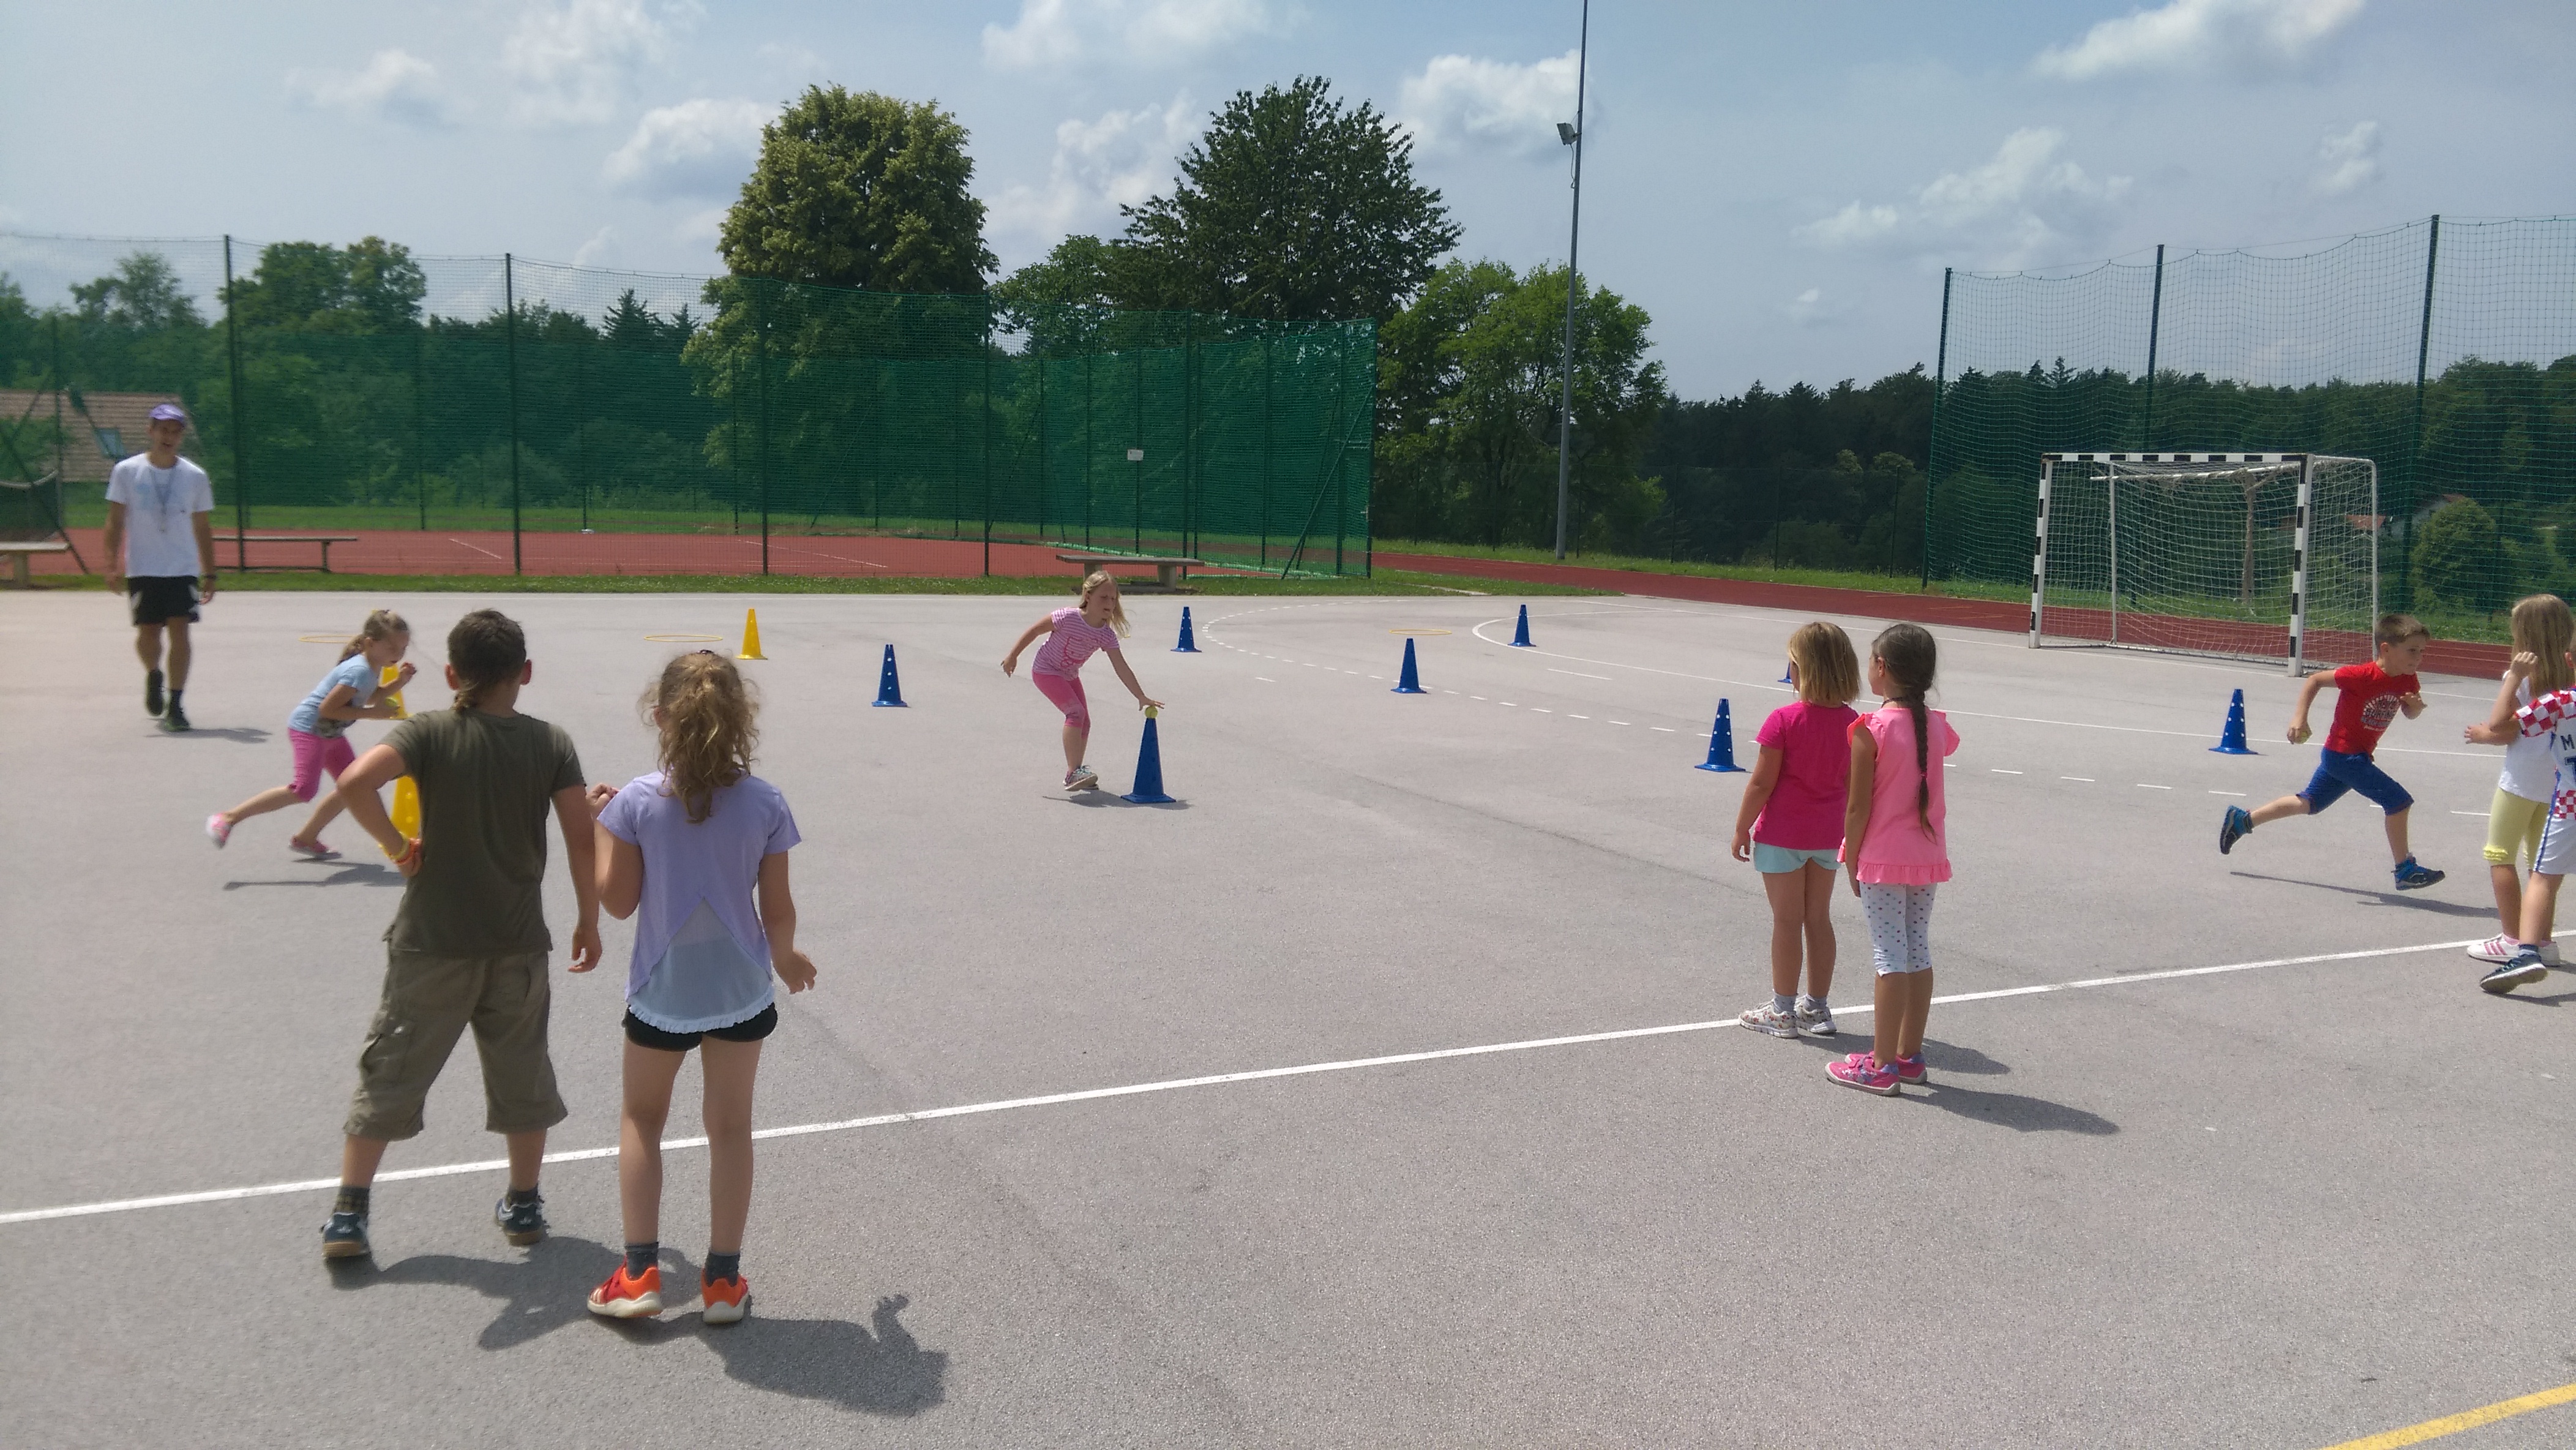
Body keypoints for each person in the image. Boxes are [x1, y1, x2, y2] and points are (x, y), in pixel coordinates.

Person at [315, 609, 601, 1260]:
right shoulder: (550, 743)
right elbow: (579, 836)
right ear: (525, 673)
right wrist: (588, 917)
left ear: (451, 674)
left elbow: (355, 782)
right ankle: (523, 1202)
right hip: (516, 941)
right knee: (522, 1071)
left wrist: (396, 846)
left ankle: (349, 1212)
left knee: (393, 1067)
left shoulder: (428, 732)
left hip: (432, 940)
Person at [583, 652, 816, 1324]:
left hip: (664, 988)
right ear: (741, 717)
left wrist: (601, 828)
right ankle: (722, 1280)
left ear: (660, 717)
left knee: (642, 1117)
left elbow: (617, 902)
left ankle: (638, 1273)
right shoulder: (765, 802)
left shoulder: (635, 802)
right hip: (739, 987)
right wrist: (785, 956)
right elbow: (778, 907)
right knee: (731, 1127)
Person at [2218, 614, 2444, 890]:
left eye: (2422, 651)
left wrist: (2415, 708)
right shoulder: (2361, 675)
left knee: (2308, 803)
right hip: (2344, 755)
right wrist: (2300, 718)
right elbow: (2315, 680)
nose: (2419, 657)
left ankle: (2242, 820)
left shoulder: (2408, 679)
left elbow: (2409, 712)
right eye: (2412, 650)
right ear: (2386, 649)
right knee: (2398, 801)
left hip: (2352, 757)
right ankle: (2405, 870)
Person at [1828, 622, 1958, 1096]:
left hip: (1883, 859)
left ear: (1881, 667)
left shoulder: (1871, 729)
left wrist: (1850, 856)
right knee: (1916, 946)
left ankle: (1881, 1064)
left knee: (1889, 955)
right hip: (1926, 857)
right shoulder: (1938, 726)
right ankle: (1908, 1055)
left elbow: (1857, 807)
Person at [1731, 622, 1862, 1040]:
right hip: (1829, 836)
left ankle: (1782, 1009)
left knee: (1786, 921)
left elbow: (1761, 783)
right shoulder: (1854, 723)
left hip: (1783, 836)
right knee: (1818, 918)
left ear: (1800, 669)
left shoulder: (1784, 720)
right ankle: (1817, 1007)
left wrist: (1741, 827)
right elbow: (1854, 785)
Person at [206, 610, 414, 857]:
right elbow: (328, 709)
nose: (398, 654)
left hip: (330, 734)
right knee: (303, 790)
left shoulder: (372, 666)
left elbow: (369, 696)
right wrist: (372, 714)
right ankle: (228, 818)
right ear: (370, 643)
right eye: (392, 648)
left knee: (353, 786)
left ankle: (306, 838)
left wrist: (400, 681)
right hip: (309, 729)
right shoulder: (358, 670)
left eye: (403, 649)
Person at [2462, 595, 2575, 969]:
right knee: (2541, 866)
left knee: (2500, 855)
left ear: (2525, 635)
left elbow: (2505, 728)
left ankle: (2512, 938)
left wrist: (2485, 732)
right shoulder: (2570, 680)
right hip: (2557, 787)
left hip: (2521, 782)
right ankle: (2542, 940)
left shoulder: (2526, 679)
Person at [102, 402, 217, 732]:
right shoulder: (127, 471)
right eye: (163, 430)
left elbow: (202, 526)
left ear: (181, 436)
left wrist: (210, 572)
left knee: (181, 631)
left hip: (182, 567)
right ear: (151, 431)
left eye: (176, 432)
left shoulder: (194, 476)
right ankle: (154, 675)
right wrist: (111, 564)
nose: (169, 437)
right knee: (148, 633)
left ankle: (176, 705)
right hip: (143, 567)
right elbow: (115, 521)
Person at [1000, 571, 1163, 791]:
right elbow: (1035, 630)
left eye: (1113, 598)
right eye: (1103, 597)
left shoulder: (1105, 635)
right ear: (1088, 596)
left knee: (1085, 721)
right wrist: (1013, 656)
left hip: (1069, 675)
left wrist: (1140, 696)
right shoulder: (1067, 617)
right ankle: (1074, 773)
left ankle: (1077, 773)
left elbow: (1121, 667)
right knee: (1075, 713)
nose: (1110, 603)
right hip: (1046, 671)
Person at [2474, 657, 2576, 994]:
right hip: (2559, 800)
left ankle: (2527, 950)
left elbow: (2499, 724)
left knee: (2543, 878)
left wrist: (2514, 678)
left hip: (2569, 804)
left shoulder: (2562, 702)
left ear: (2571, 659)